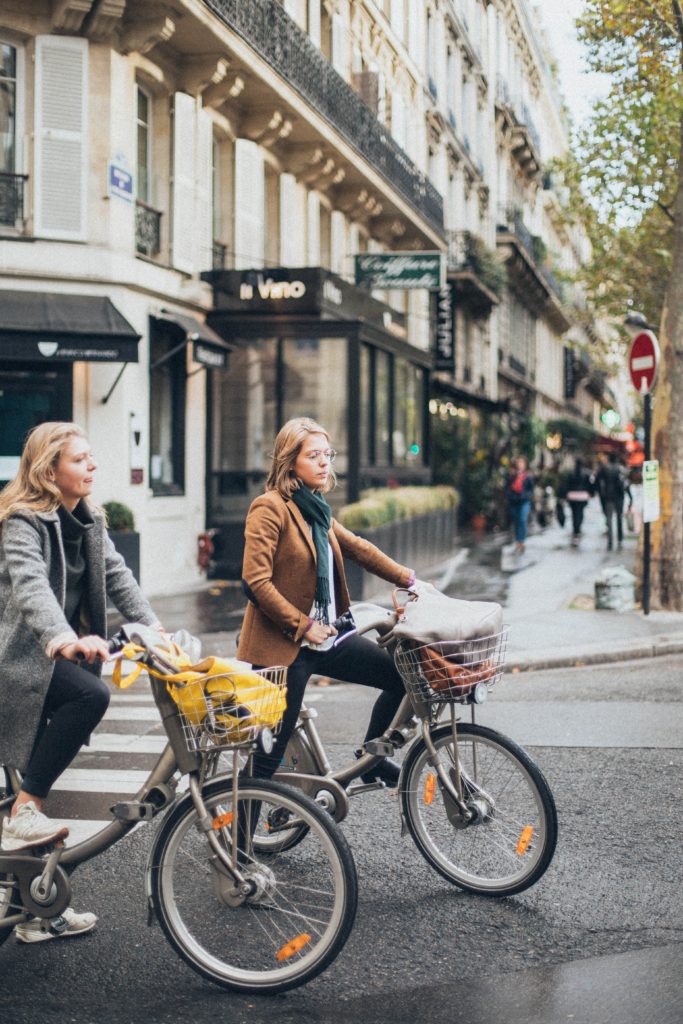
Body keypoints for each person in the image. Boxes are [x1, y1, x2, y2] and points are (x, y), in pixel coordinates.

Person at [0, 422, 162, 942]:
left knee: (45, 786)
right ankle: (23, 811)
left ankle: (36, 912)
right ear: (50, 471)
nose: (92, 466)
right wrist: (63, 638)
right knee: (90, 696)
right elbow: (29, 587)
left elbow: (119, 578)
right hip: (20, 662)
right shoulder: (22, 523)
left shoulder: (90, 523)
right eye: (80, 459)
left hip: (50, 662)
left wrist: (156, 633)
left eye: (92, 458)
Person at [238, 416, 416, 785]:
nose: (324, 463)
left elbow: (361, 550)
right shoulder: (269, 508)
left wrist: (412, 581)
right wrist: (303, 625)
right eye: (314, 455)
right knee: (268, 759)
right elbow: (255, 582)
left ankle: (373, 758)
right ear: (291, 462)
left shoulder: (316, 510)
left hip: (327, 639)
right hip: (282, 649)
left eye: (328, 454)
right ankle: (237, 842)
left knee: (402, 676)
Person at [595, 453, 632, 550]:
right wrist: (630, 497)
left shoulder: (604, 468)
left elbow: (597, 481)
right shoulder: (621, 469)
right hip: (619, 496)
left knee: (609, 519)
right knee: (619, 518)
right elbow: (626, 484)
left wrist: (600, 493)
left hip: (608, 496)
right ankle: (620, 540)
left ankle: (610, 542)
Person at [560, 457, 594, 547]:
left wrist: (564, 495)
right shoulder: (586, 473)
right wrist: (591, 493)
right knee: (580, 513)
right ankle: (577, 530)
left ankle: (576, 530)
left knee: (574, 514)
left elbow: (565, 485)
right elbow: (590, 485)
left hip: (572, 496)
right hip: (582, 496)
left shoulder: (571, 473)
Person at [505, 456, 535, 553]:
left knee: (522, 519)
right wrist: (510, 495)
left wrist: (526, 496)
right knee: (516, 521)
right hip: (514, 501)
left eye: (522, 463)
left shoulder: (528, 476)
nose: (520, 465)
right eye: (519, 463)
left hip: (524, 501)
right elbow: (507, 487)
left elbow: (531, 490)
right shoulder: (511, 475)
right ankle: (518, 540)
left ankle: (521, 540)